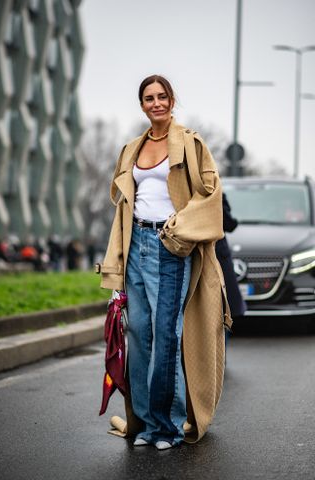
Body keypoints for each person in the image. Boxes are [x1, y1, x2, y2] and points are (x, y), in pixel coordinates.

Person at [98, 75, 232, 450]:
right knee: (139, 335)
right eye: (148, 98)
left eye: (162, 97)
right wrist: (118, 256)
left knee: (166, 336)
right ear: (142, 105)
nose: (156, 103)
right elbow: (125, 204)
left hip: (170, 245)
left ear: (173, 100)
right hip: (136, 242)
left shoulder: (191, 143)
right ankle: (143, 423)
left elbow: (210, 192)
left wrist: (181, 226)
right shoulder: (131, 149)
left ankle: (169, 424)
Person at [216, 193, 246, 321]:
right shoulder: (215, 192)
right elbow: (229, 224)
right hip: (217, 251)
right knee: (224, 305)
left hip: (200, 251)